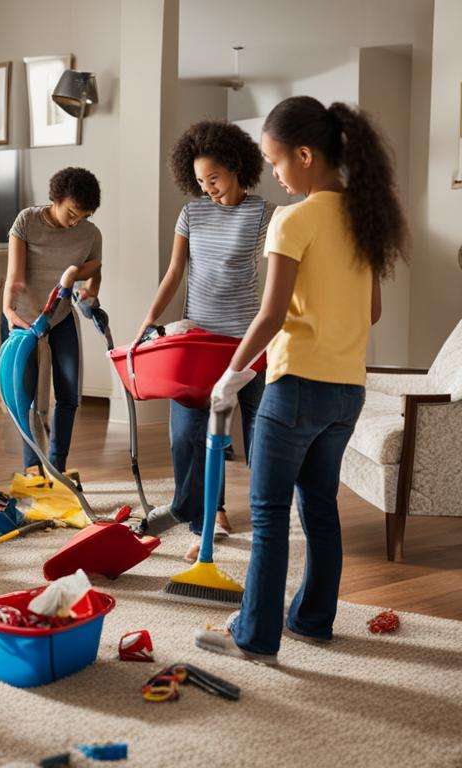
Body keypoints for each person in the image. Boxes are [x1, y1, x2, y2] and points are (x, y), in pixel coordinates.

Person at [195, 96, 406, 664]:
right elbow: (373, 311)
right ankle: (312, 622)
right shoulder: (365, 221)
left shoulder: (294, 220)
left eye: (276, 160)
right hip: (346, 392)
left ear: (305, 155)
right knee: (320, 509)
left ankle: (255, 638)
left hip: (293, 390)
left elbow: (268, 314)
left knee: (267, 514)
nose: (275, 174)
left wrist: (231, 374)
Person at [138, 121, 274, 561]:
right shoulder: (192, 213)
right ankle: (206, 517)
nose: (208, 188)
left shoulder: (264, 214)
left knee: (259, 436)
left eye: (213, 178)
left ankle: (268, 516)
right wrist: (150, 320)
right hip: (197, 342)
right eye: (200, 181)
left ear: (236, 167)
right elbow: (174, 273)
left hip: (248, 343)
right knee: (187, 437)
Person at [1, 166, 103, 476]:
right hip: (24, 316)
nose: (76, 221)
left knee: (69, 393)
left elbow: (93, 274)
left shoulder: (90, 234)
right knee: (25, 396)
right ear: (56, 198)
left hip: (60, 317)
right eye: (72, 212)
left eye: (82, 216)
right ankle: (32, 467)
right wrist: (8, 311)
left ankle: (58, 465)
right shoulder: (27, 221)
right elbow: (15, 278)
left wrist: (89, 295)